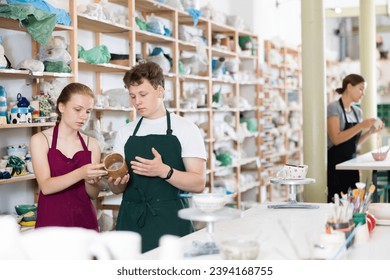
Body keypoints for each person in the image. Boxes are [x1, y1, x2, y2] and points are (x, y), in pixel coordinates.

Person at [108, 61, 207, 253]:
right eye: (133, 96)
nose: (137, 102)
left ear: (160, 91)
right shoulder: (125, 132)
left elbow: (198, 183)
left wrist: (164, 171)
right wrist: (117, 181)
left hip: (171, 221)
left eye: (143, 95)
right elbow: (115, 188)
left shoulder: (186, 129)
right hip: (131, 220)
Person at [30, 82, 108, 231]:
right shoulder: (40, 140)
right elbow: (46, 187)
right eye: (77, 109)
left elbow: (93, 194)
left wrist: (91, 182)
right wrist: (81, 173)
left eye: (88, 111)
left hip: (84, 221)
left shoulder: (92, 144)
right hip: (51, 221)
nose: (83, 116)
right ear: (62, 107)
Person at [327, 74, 383, 203]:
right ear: (349, 87)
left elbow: (354, 142)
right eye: (361, 89)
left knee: (354, 202)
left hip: (351, 164)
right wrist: (361, 125)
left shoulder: (358, 112)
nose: (363, 93)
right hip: (336, 165)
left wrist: (370, 132)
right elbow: (335, 139)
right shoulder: (334, 108)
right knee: (337, 202)